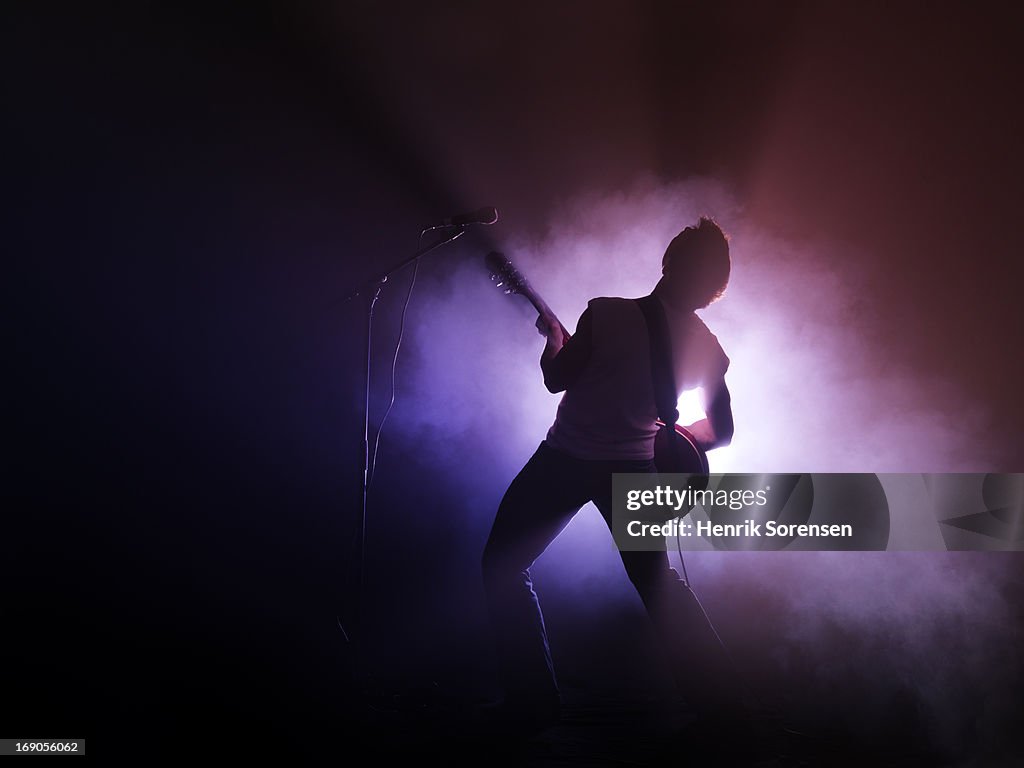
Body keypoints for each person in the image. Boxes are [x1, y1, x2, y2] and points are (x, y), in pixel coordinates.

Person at [481, 217, 742, 730]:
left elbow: (556, 379)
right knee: (659, 587)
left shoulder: (605, 314)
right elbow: (724, 430)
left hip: (564, 461)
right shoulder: (710, 348)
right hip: (636, 470)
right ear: (715, 290)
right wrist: (672, 436)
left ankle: (534, 703)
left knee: (501, 566)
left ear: (668, 261)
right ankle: (725, 711)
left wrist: (554, 339)